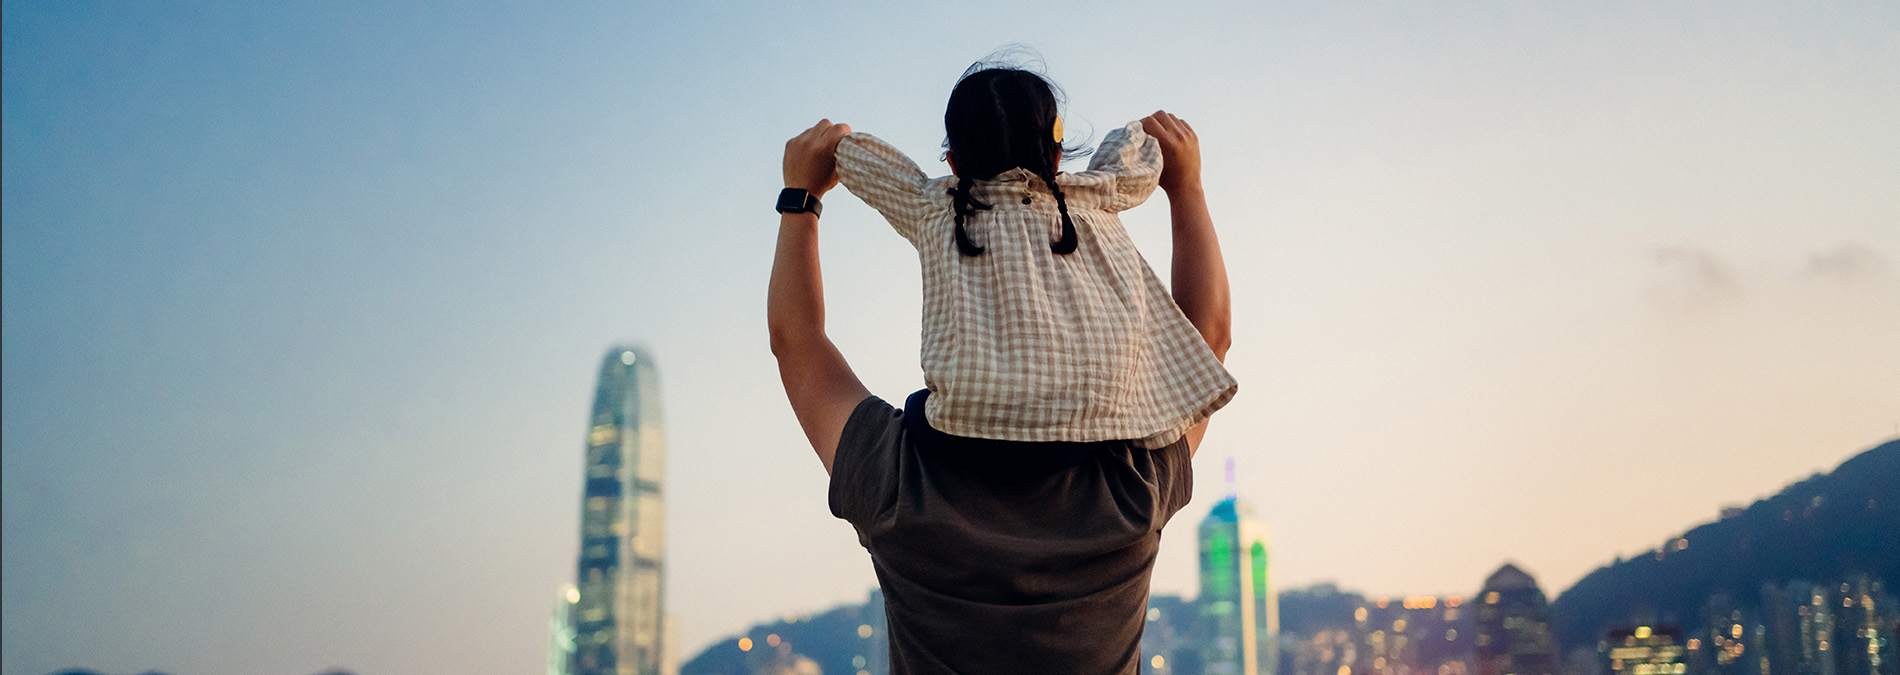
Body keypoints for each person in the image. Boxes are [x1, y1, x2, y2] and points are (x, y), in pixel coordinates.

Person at [766, 63, 1233, 673]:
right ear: (1059, 156)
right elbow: (1209, 341)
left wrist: (800, 199)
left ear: (953, 164)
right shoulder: (1130, 488)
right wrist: (1186, 188)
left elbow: (796, 342)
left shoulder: (899, 481)